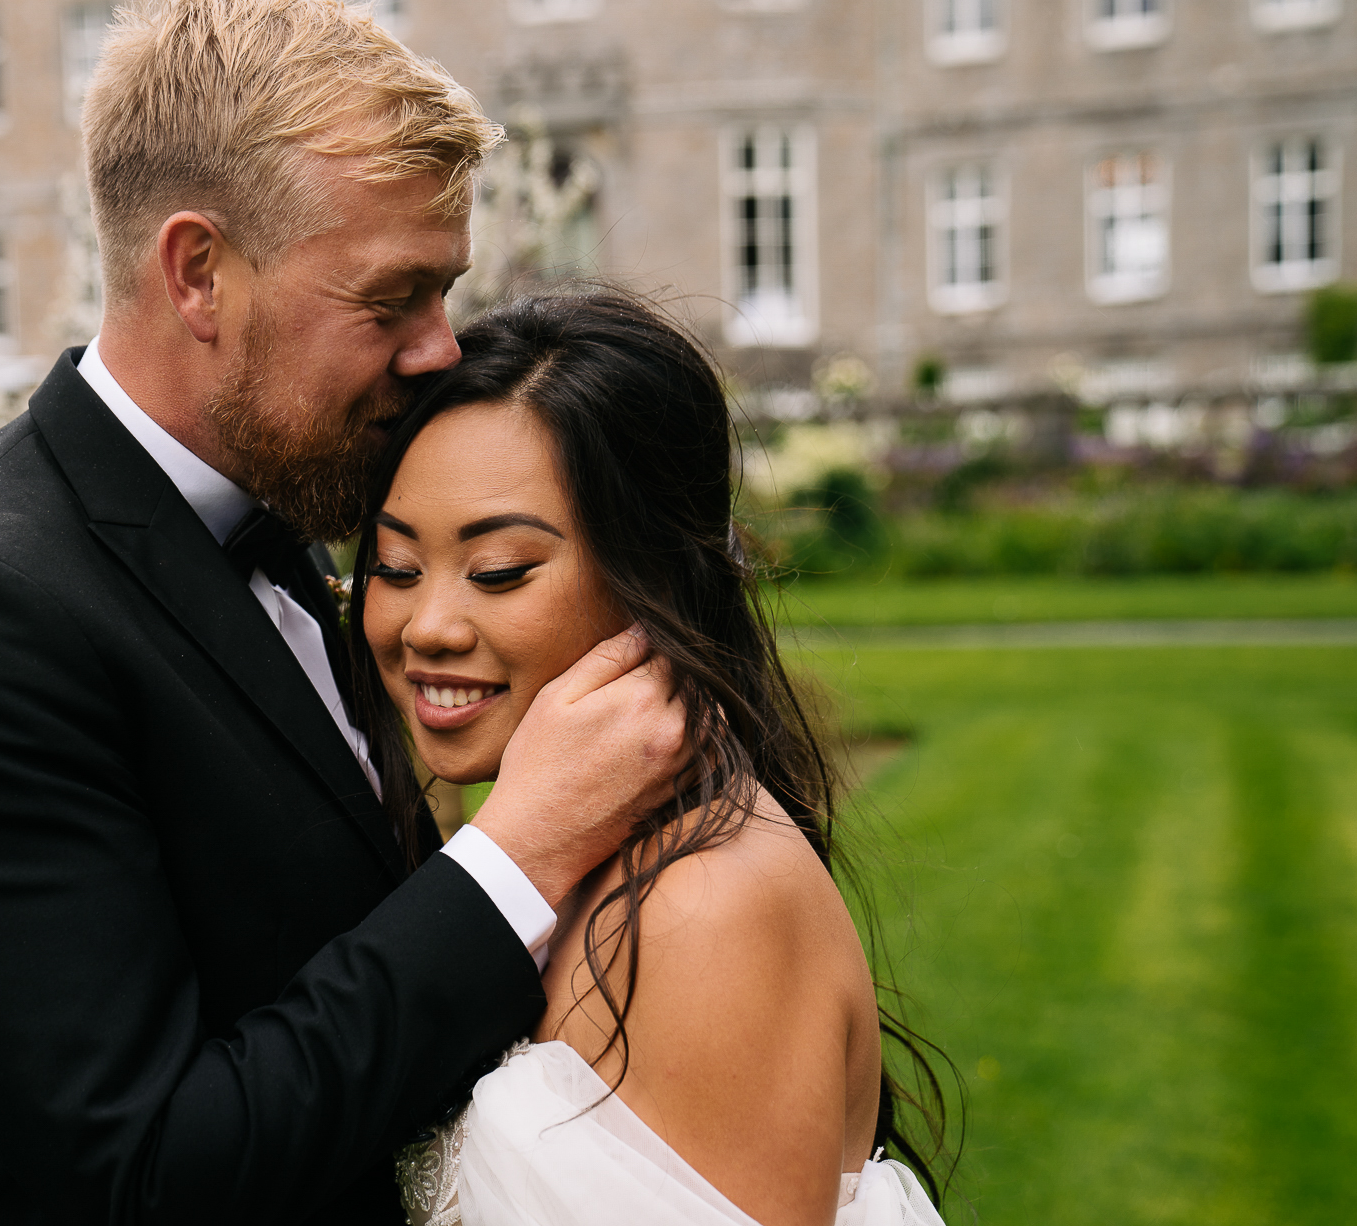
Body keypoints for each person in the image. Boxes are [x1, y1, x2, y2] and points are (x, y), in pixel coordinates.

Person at [0, 0, 688, 1226]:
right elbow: (147, 1171)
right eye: (390, 298)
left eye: (446, 290)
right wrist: (520, 854)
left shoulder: (283, 526)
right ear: (199, 272)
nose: (439, 348)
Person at [349, 291, 953, 1226]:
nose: (426, 625)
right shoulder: (539, 849)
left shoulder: (702, 911)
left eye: (500, 570)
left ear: (656, 577)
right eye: (393, 567)